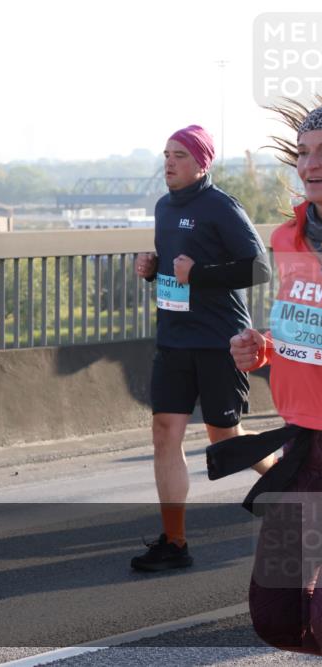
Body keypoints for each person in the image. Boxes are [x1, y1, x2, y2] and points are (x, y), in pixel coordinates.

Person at [131, 125, 272, 571]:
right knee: (164, 433)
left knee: (224, 439)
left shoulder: (221, 207)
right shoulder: (163, 208)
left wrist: (203, 274)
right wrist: (153, 270)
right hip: (173, 338)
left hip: (218, 339)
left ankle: (297, 487)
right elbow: (177, 270)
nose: (169, 163)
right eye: (166, 154)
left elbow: (259, 268)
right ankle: (174, 543)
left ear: (201, 163)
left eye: (180, 156)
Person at [222, 100, 322, 654]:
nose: (310, 165)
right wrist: (263, 350)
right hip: (304, 447)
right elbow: (303, 328)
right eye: (305, 153)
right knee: (277, 617)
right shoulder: (288, 239)